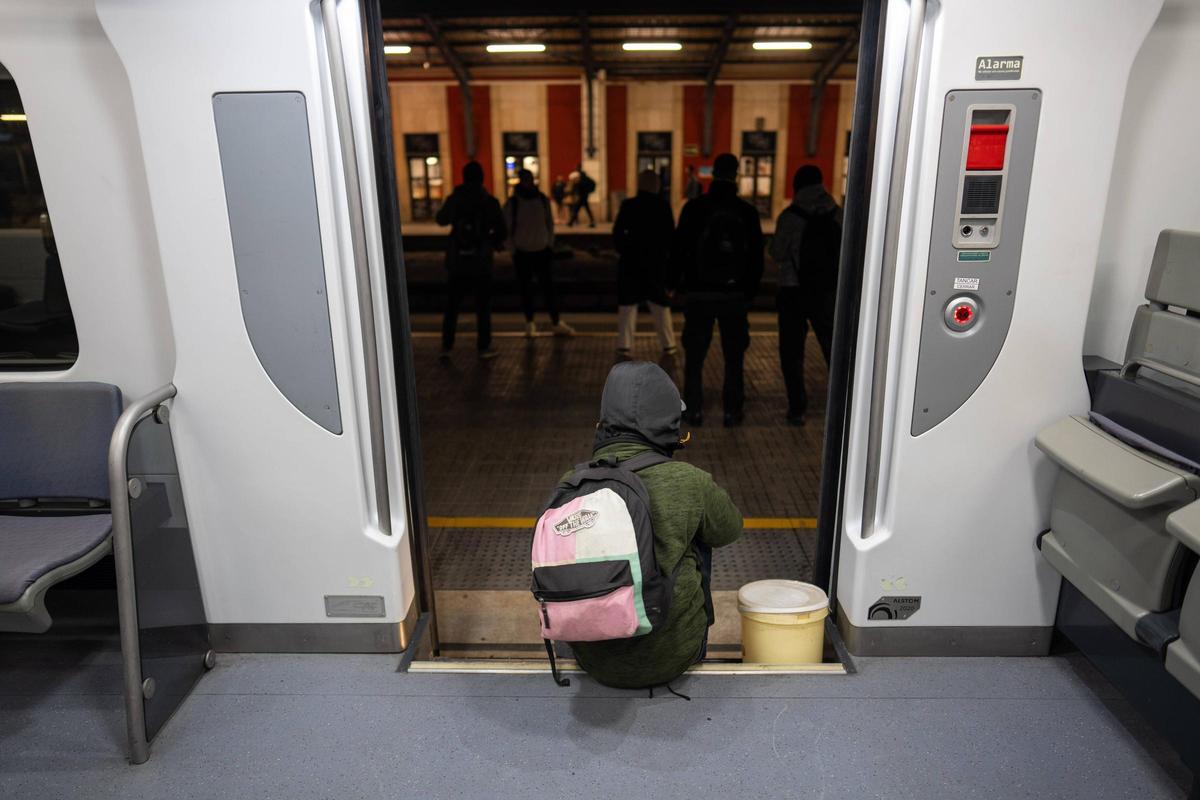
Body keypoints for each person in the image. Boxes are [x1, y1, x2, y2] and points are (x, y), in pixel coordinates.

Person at [569, 361, 743, 689]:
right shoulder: (689, 480)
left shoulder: (573, 484)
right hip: (673, 658)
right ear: (670, 424)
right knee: (698, 532)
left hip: (592, 660)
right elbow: (730, 528)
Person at [669, 152, 764, 427]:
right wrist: (749, 292)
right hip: (734, 296)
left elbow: (680, 249)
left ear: (712, 175)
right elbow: (756, 257)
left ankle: (694, 410)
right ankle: (732, 411)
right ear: (736, 175)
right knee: (734, 357)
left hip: (698, 294)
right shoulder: (747, 212)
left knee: (695, 357)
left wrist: (673, 283)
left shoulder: (694, 208)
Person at [769, 165, 843, 424]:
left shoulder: (790, 216)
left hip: (793, 291)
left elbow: (777, 253)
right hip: (827, 292)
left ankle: (797, 408)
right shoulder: (838, 214)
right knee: (832, 349)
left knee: (792, 352)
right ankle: (841, 404)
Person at [435, 160, 506, 360]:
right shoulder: (489, 201)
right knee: (483, 307)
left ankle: (447, 347)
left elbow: (440, 219)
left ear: (463, 177)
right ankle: (483, 347)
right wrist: (490, 241)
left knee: (452, 307)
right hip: (481, 262)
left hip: (457, 261)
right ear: (482, 178)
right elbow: (502, 231)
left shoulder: (455, 199)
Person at [504, 168, 575, 338]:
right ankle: (532, 323)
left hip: (541, 250)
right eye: (525, 179)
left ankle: (553, 322)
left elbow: (549, 224)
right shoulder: (513, 203)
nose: (528, 182)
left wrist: (548, 243)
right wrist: (513, 250)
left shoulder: (541, 200)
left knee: (547, 289)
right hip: (523, 252)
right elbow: (506, 229)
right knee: (528, 290)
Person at [612, 169, 677, 357]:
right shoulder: (663, 206)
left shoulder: (628, 205)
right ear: (656, 186)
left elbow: (617, 233)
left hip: (630, 262)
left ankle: (624, 344)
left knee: (627, 306)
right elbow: (670, 237)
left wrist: (625, 250)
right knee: (660, 306)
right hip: (655, 264)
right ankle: (668, 344)